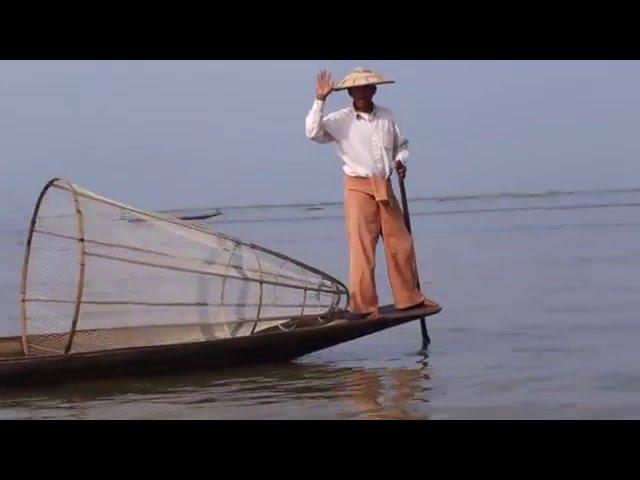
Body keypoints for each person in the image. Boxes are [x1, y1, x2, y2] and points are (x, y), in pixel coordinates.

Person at [305, 67, 439, 320]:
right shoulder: (340, 120)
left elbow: (401, 145)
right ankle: (363, 305)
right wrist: (320, 99)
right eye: (357, 89)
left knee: (401, 243)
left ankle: (409, 298)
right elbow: (313, 132)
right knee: (362, 247)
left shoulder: (386, 117)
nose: (362, 93)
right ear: (350, 93)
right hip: (357, 186)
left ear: (374, 90)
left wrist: (400, 161)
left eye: (367, 88)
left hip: (384, 185)